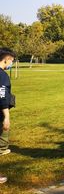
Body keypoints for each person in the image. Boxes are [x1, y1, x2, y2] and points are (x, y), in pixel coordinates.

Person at [0, 48, 16, 184]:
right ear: (6, 59)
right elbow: (2, 96)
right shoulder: (2, 76)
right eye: (12, 60)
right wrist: (6, 116)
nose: (12, 63)